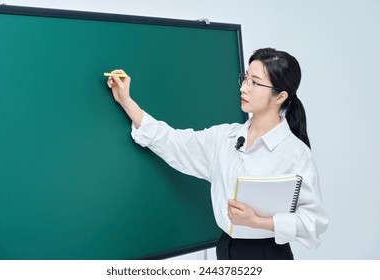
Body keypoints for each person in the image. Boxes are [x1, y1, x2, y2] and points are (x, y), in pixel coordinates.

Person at [106, 47, 328, 260]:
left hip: (267, 255)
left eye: (255, 83)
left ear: (279, 97)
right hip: (226, 249)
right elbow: (173, 141)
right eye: (245, 78)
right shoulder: (225, 138)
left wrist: (257, 221)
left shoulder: (296, 154)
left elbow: (313, 223)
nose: (244, 88)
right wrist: (126, 101)